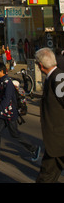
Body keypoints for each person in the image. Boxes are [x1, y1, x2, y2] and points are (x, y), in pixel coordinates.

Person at [0, 62, 40, 162]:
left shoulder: (8, 83)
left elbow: (7, 98)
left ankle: (34, 149)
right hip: (3, 113)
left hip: (9, 113)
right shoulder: (1, 81)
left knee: (15, 134)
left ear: (1, 71)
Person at [35, 48, 64, 183]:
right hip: (56, 141)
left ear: (40, 65)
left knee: (46, 177)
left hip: (59, 139)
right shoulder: (53, 77)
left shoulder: (58, 77)